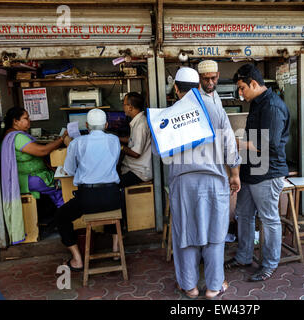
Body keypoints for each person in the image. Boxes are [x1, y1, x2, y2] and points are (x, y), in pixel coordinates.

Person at [163, 67, 241, 299]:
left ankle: (190, 287)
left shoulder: (167, 116)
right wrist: (235, 174)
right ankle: (214, 287)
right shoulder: (216, 110)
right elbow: (230, 147)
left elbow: (164, 154)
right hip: (214, 183)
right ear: (198, 87)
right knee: (215, 234)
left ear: (176, 89)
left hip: (182, 185)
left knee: (185, 234)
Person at [224, 64, 290, 282]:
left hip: (268, 173)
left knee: (269, 219)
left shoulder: (272, 106)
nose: (240, 93)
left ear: (253, 83)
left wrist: (236, 143)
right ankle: (243, 256)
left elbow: (266, 144)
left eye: (242, 88)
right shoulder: (257, 102)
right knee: (243, 215)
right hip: (251, 171)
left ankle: (269, 264)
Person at [55, 108, 122, 271]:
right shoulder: (114, 140)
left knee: (61, 216)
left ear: (86, 125)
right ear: (106, 124)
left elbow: (69, 170)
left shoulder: (77, 143)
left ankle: (77, 260)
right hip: (112, 197)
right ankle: (115, 250)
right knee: (119, 205)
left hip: (88, 199)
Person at [1, 107, 67, 245]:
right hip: (31, 179)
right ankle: (66, 222)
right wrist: (61, 140)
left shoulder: (13, 135)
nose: (29, 121)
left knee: (58, 185)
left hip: (31, 176)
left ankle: (60, 219)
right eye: (25, 118)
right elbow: (42, 151)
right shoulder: (17, 137)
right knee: (63, 189)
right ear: (15, 121)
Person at [119, 92, 152, 187]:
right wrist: (116, 138)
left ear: (130, 107)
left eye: (124, 104)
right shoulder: (138, 121)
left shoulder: (140, 125)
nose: (123, 107)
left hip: (139, 172)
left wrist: (120, 147)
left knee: (112, 184)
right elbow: (133, 139)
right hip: (135, 168)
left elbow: (136, 154)